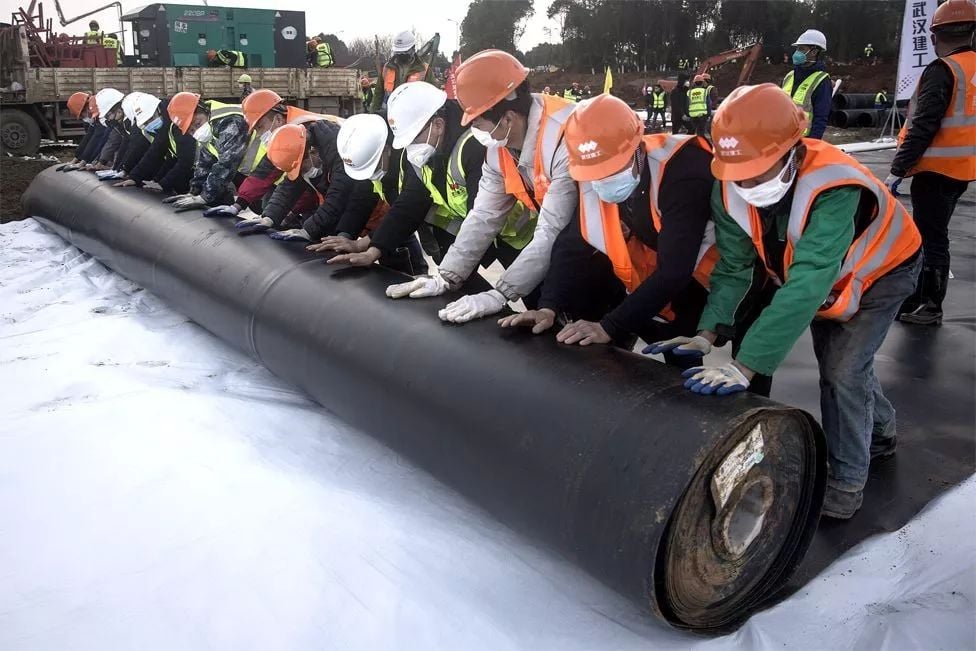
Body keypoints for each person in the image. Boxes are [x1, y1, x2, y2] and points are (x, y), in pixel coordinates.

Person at [664, 84, 920, 520]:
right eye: (738, 172)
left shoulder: (834, 186)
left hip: (885, 269)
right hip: (829, 279)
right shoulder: (730, 187)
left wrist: (747, 365)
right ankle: (881, 431)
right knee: (849, 366)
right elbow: (734, 267)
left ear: (792, 151)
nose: (746, 183)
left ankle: (845, 485)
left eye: (758, 171)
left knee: (842, 368)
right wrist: (707, 333)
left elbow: (807, 282)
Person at [499, 94, 720, 367]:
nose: (603, 180)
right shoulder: (593, 174)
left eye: (612, 170)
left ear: (638, 146)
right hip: (653, 289)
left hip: (712, 283)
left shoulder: (682, 169)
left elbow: (676, 269)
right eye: (596, 174)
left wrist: (609, 327)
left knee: (728, 370)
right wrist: (548, 306)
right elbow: (572, 242)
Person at [385, 49, 579, 325]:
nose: (475, 129)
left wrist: (500, 294)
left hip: (606, 251)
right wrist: (447, 277)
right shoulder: (500, 145)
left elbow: (552, 230)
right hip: (566, 247)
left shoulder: (562, 140)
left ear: (508, 118)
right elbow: (483, 216)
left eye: (478, 121)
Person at [322, 81, 533, 281]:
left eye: (413, 139)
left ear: (439, 125)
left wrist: (450, 277)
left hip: (524, 236)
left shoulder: (472, 148)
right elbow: (410, 204)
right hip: (491, 237)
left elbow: (481, 217)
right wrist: (372, 249)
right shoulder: (428, 155)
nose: (410, 149)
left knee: (543, 300)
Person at [886, 0, 975, 326]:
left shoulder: (943, 70)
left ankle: (929, 305)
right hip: (962, 169)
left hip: (936, 170)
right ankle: (921, 299)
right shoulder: (972, 67)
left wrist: (897, 169)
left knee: (930, 238)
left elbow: (924, 124)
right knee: (933, 235)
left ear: (935, 34)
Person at [202, 89, 324, 220]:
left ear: (277, 119)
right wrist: (238, 205)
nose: (259, 135)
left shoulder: (303, 132)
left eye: (260, 127)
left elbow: (314, 185)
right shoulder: (286, 132)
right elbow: (264, 172)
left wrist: (291, 213)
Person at [235, 113, 357, 243]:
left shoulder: (341, 152)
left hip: (372, 209)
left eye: (302, 169)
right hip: (353, 211)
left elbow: (338, 196)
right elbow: (289, 186)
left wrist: (308, 230)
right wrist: (269, 217)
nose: (303, 173)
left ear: (312, 151)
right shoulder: (301, 145)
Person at [162, 92, 249, 212]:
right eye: (191, 130)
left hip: (277, 173)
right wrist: (194, 191)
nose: (196, 131)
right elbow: (205, 162)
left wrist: (205, 196)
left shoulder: (230, 121)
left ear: (204, 109)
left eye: (197, 124)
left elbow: (227, 163)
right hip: (258, 176)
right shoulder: (210, 128)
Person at [114, 95, 197, 194]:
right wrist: (137, 177)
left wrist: (163, 184)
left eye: (150, 119)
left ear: (159, 110)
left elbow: (184, 160)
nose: (150, 123)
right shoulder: (165, 125)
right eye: (146, 122)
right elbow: (166, 155)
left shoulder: (176, 124)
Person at [370, 31, 438, 114]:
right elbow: (378, 94)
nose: (401, 54)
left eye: (404, 52)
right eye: (398, 52)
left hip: (413, 117)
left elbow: (432, 96)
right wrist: (373, 114)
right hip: (389, 115)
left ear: (413, 49)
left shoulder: (424, 69)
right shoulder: (387, 68)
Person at [783, 29, 831, 140]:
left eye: (801, 49)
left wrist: (812, 144)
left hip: (803, 140)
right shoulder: (790, 76)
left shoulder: (821, 80)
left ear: (814, 52)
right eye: (797, 48)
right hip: (783, 137)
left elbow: (821, 117)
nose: (797, 53)